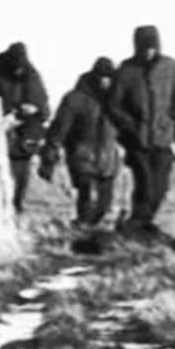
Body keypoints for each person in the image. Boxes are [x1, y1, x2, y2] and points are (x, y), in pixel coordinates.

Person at [108, 25, 175, 231]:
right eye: (144, 47)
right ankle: (138, 224)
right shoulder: (125, 70)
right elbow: (114, 105)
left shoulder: (171, 67)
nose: (148, 51)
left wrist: (171, 124)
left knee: (161, 187)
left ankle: (141, 223)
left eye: (152, 47)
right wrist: (129, 125)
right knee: (145, 186)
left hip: (162, 139)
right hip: (136, 140)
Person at [0, 42, 52, 215]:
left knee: (21, 177)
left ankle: (16, 208)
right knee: (0, 176)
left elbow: (44, 109)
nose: (19, 71)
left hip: (24, 139)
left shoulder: (32, 76)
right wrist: (5, 115)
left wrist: (35, 110)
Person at [46, 57, 122, 228]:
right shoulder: (75, 99)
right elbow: (59, 129)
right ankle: (82, 229)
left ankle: (86, 231)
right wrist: (50, 155)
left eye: (109, 77)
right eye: (102, 77)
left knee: (103, 205)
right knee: (88, 197)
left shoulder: (117, 102)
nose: (105, 81)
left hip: (108, 161)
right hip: (82, 157)